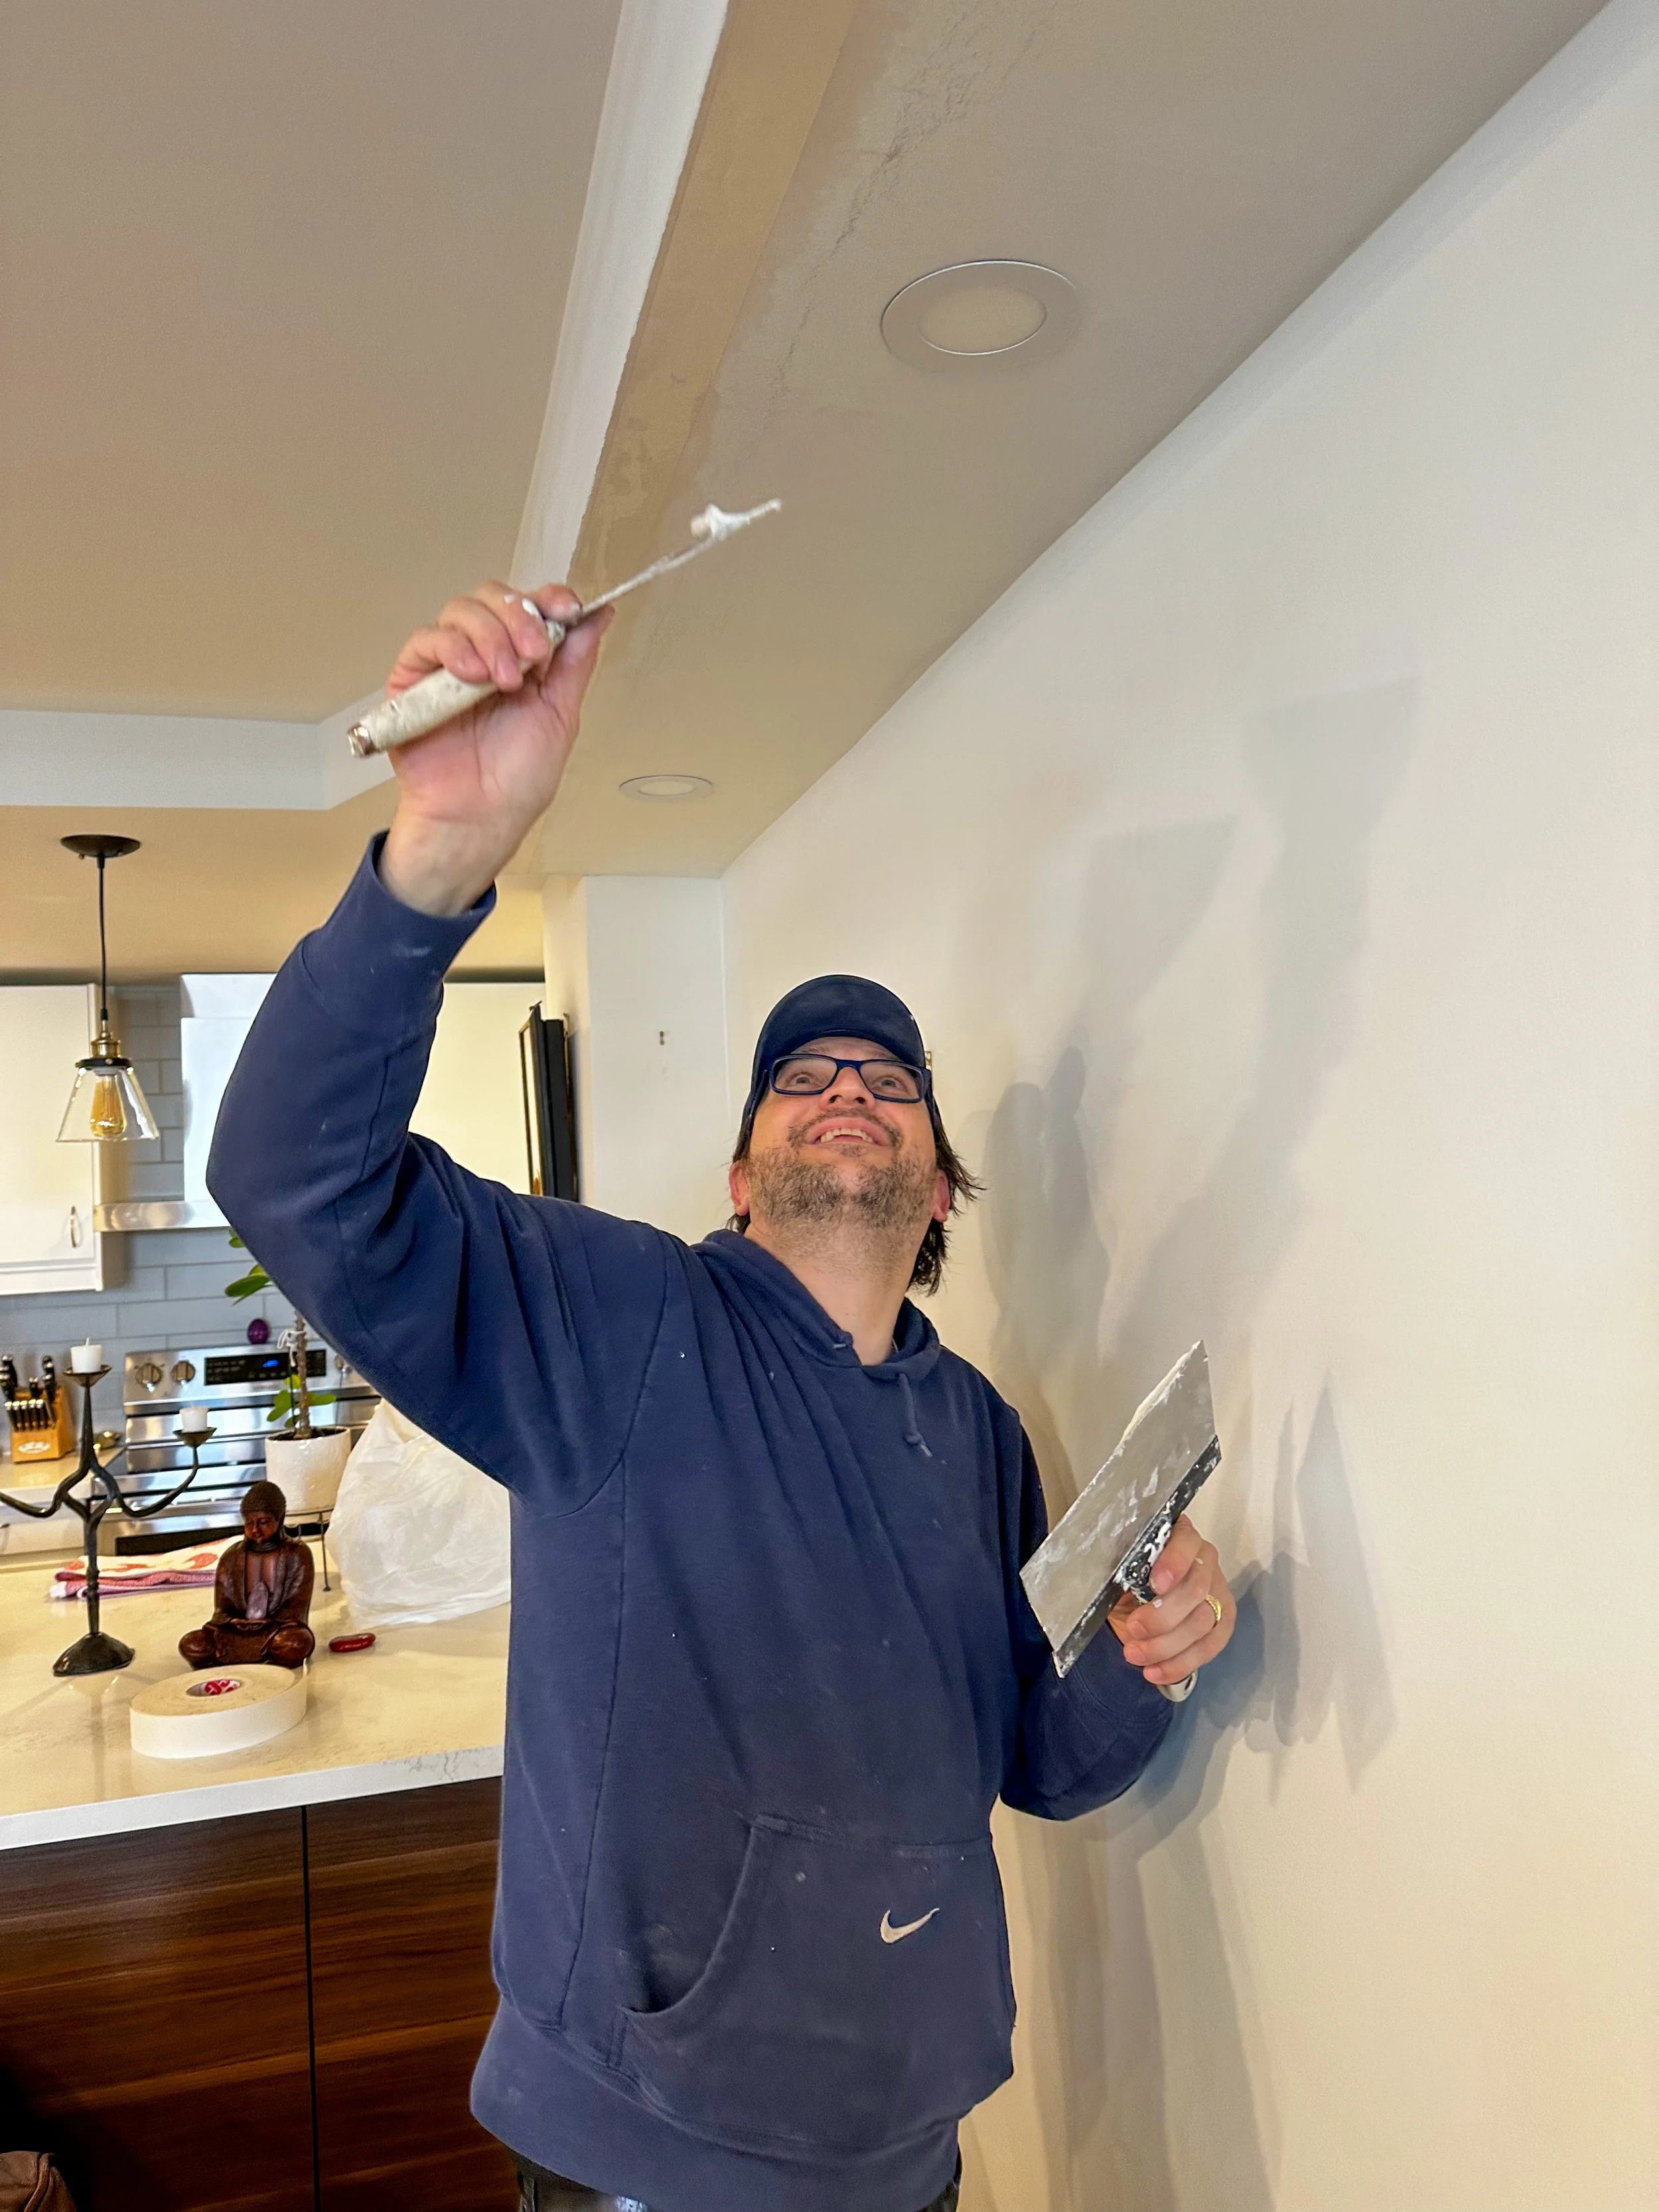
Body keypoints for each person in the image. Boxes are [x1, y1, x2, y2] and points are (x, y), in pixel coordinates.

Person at [208, 578, 1236, 2212]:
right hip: (651, 2155)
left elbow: (1033, 1757)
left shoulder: (978, 1431)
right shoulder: (623, 1322)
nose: (847, 1090)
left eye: (888, 1081)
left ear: (938, 1188)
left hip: (910, 2151)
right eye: (801, 1079)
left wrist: (1145, 1658)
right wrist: (441, 859)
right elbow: (294, 1177)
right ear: (743, 1172)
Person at [179, 1479, 315, 1670]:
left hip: (276, 1632)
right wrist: (233, 1621)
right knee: (193, 1644)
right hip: (235, 1632)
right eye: (249, 1523)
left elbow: (296, 1607)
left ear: (280, 1519)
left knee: (294, 1643)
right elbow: (222, 1608)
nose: (255, 1530)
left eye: (263, 1522)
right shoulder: (232, 1556)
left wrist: (267, 1623)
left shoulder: (297, 1554)